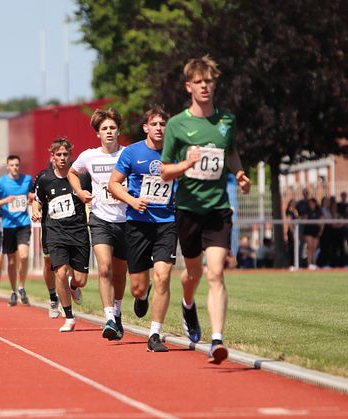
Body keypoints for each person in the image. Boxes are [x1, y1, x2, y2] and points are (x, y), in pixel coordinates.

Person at [159, 55, 251, 364]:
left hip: (217, 209)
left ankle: (217, 340)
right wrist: (186, 163)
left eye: (209, 81)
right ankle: (187, 304)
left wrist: (239, 174)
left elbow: (232, 152)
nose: (205, 87)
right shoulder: (177, 124)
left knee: (216, 273)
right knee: (192, 274)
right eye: (199, 82)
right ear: (189, 87)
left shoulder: (226, 121)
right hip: (187, 209)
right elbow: (164, 171)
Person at [109, 106, 178, 352]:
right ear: (146, 128)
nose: (159, 128)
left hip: (166, 222)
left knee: (163, 276)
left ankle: (154, 335)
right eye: (155, 124)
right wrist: (131, 200)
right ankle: (142, 294)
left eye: (163, 124)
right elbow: (113, 184)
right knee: (138, 287)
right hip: (138, 223)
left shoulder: (175, 151)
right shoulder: (132, 152)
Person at [69, 107, 129, 342]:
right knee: (104, 268)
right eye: (104, 128)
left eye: (112, 128)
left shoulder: (127, 154)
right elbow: (73, 173)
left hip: (125, 219)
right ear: (98, 133)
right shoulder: (89, 156)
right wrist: (80, 191)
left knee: (120, 274)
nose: (109, 132)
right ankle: (109, 319)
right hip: (100, 219)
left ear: (118, 130)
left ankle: (118, 310)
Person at [33, 138, 89, 332]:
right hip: (55, 232)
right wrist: (36, 210)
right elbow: (37, 200)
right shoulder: (45, 178)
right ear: (53, 157)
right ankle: (69, 317)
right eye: (59, 155)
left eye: (66, 154)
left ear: (70, 156)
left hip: (79, 232)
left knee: (80, 279)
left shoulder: (81, 177)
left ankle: (74, 287)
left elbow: (91, 194)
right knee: (61, 272)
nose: (63, 158)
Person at [0, 155, 34, 306]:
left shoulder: (27, 179)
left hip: (23, 223)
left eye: (17, 165)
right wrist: (6, 200)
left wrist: (31, 198)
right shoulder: (1, 182)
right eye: (12, 165)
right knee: (11, 262)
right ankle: (13, 290)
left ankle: (21, 286)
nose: (15, 167)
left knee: (23, 256)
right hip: (8, 225)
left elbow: (32, 194)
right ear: (7, 167)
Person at [303, 198, 322, 270]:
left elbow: (321, 220)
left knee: (314, 248)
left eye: (313, 203)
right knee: (310, 247)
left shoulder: (318, 211)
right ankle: (309, 264)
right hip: (308, 231)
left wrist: (320, 230)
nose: (312, 205)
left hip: (315, 231)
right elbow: (304, 220)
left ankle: (314, 263)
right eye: (310, 203)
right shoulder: (307, 211)